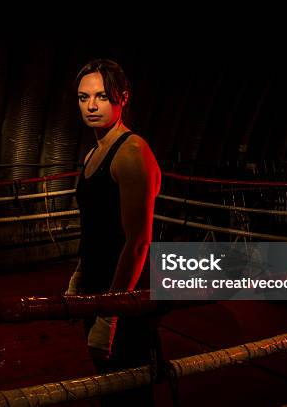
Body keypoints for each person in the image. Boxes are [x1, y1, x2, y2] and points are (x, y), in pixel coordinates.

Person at [65, 59, 161, 405]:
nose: (91, 105)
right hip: (97, 287)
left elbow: (138, 241)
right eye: (83, 97)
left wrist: (111, 316)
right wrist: (79, 276)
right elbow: (95, 226)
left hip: (125, 294)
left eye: (102, 96)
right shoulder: (93, 152)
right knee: (107, 390)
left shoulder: (132, 152)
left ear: (122, 97)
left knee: (130, 392)